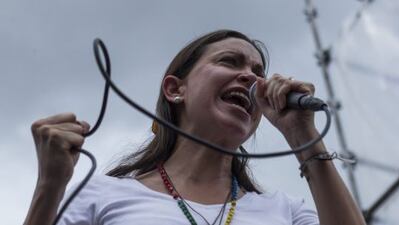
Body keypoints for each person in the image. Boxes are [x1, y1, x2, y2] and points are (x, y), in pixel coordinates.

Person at [24, 30, 366, 225]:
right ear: (175, 89)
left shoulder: (285, 211)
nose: (251, 77)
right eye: (229, 62)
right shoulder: (101, 196)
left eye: (258, 72)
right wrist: (49, 186)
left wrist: (303, 136)